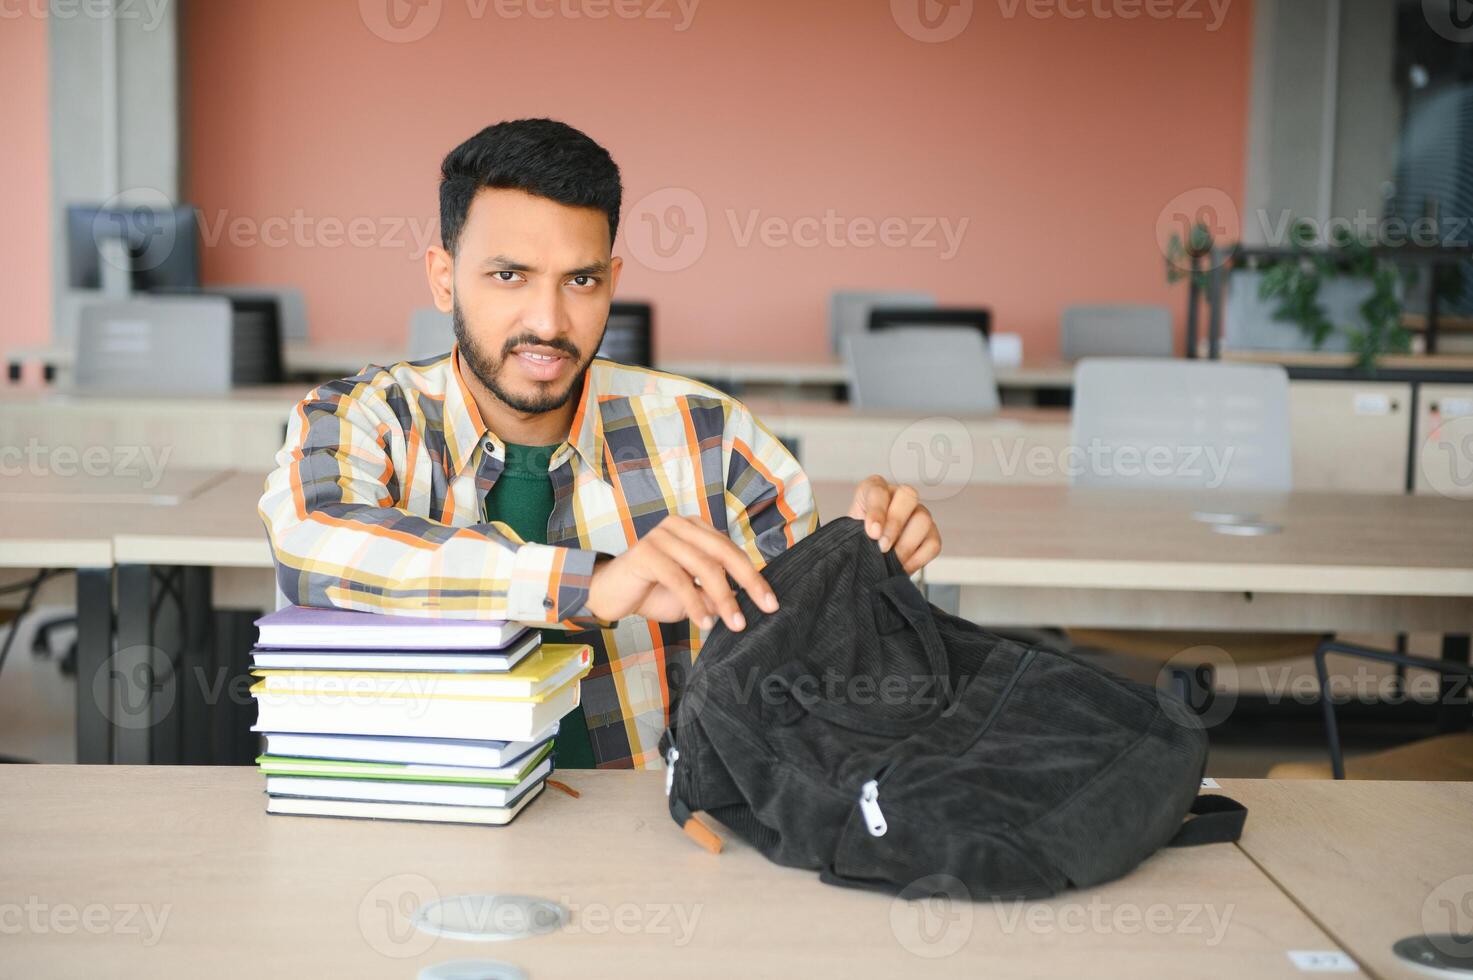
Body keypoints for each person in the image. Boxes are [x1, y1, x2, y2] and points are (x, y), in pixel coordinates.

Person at [258, 118, 942, 769]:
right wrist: (598, 584)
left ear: (611, 280)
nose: (548, 322)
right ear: (443, 278)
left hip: (655, 834)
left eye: (579, 281)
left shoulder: (715, 436)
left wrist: (873, 576)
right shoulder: (360, 417)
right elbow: (314, 544)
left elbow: (807, 681)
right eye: (509, 276)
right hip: (421, 828)